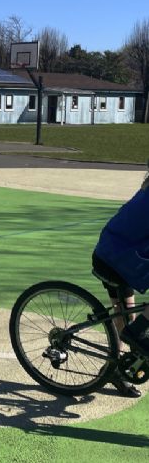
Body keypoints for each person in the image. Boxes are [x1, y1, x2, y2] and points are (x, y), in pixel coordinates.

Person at [92, 168, 149, 398]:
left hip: (121, 255)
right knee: (128, 324)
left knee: (125, 316)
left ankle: (117, 363)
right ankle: (126, 351)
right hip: (114, 259)